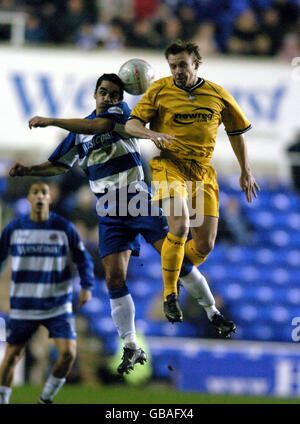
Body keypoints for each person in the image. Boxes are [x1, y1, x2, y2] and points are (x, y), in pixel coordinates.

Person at [9, 73, 236, 377]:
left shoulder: (121, 116)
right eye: (103, 92)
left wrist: (50, 121)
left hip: (135, 200)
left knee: (176, 260)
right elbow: (59, 165)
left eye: (114, 94)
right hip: (108, 212)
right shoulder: (77, 136)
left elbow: (96, 126)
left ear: (120, 98)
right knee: (115, 279)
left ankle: (212, 311)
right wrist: (29, 170)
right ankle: (130, 344)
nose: (108, 98)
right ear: (95, 93)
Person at [125, 40, 260, 323]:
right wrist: (151, 135)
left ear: (196, 64)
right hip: (168, 166)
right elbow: (131, 124)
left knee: (205, 245)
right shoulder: (160, 89)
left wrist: (246, 169)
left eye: (182, 65)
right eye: (173, 66)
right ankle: (170, 295)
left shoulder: (217, 94)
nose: (177, 71)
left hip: (202, 172)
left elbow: (236, 132)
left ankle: (174, 265)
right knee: (180, 225)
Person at [0, 182, 94, 404]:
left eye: (45, 193)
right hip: (25, 303)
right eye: (36, 193)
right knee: (12, 355)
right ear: (29, 198)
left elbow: (83, 258)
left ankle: (45, 399)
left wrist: (87, 286)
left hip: (56, 303)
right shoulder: (15, 228)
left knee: (68, 353)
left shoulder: (64, 228)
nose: (41, 197)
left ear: (50, 199)